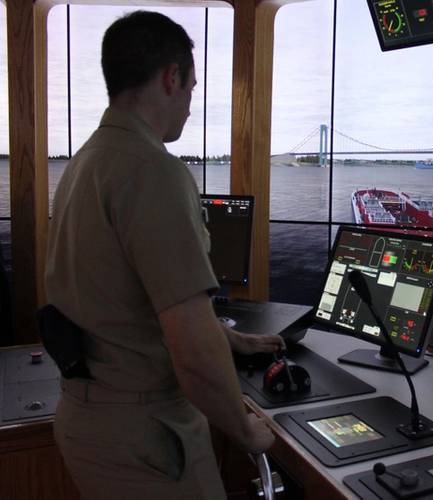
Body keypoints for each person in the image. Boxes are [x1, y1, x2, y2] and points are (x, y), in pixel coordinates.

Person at [44, 11, 284, 499]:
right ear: (171, 78)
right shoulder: (154, 171)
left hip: (87, 419)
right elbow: (192, 350)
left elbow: (120, 299)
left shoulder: (85, 163)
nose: (191, 108)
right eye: (192, 90)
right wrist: (245, 431)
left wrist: (227, 338)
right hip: (146, 437)